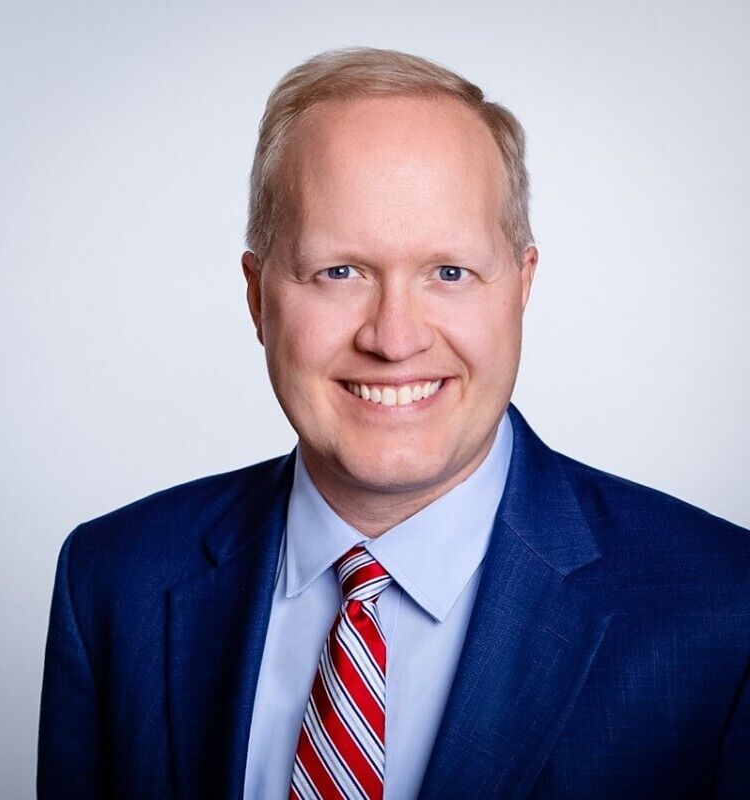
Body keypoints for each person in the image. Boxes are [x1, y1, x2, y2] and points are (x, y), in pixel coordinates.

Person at [37, 48, 750, 799]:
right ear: (257, 296)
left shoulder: (724, 611)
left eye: (449, 272)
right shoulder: (113, 580)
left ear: (521, 286)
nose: (394, 337)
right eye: (339, 272)